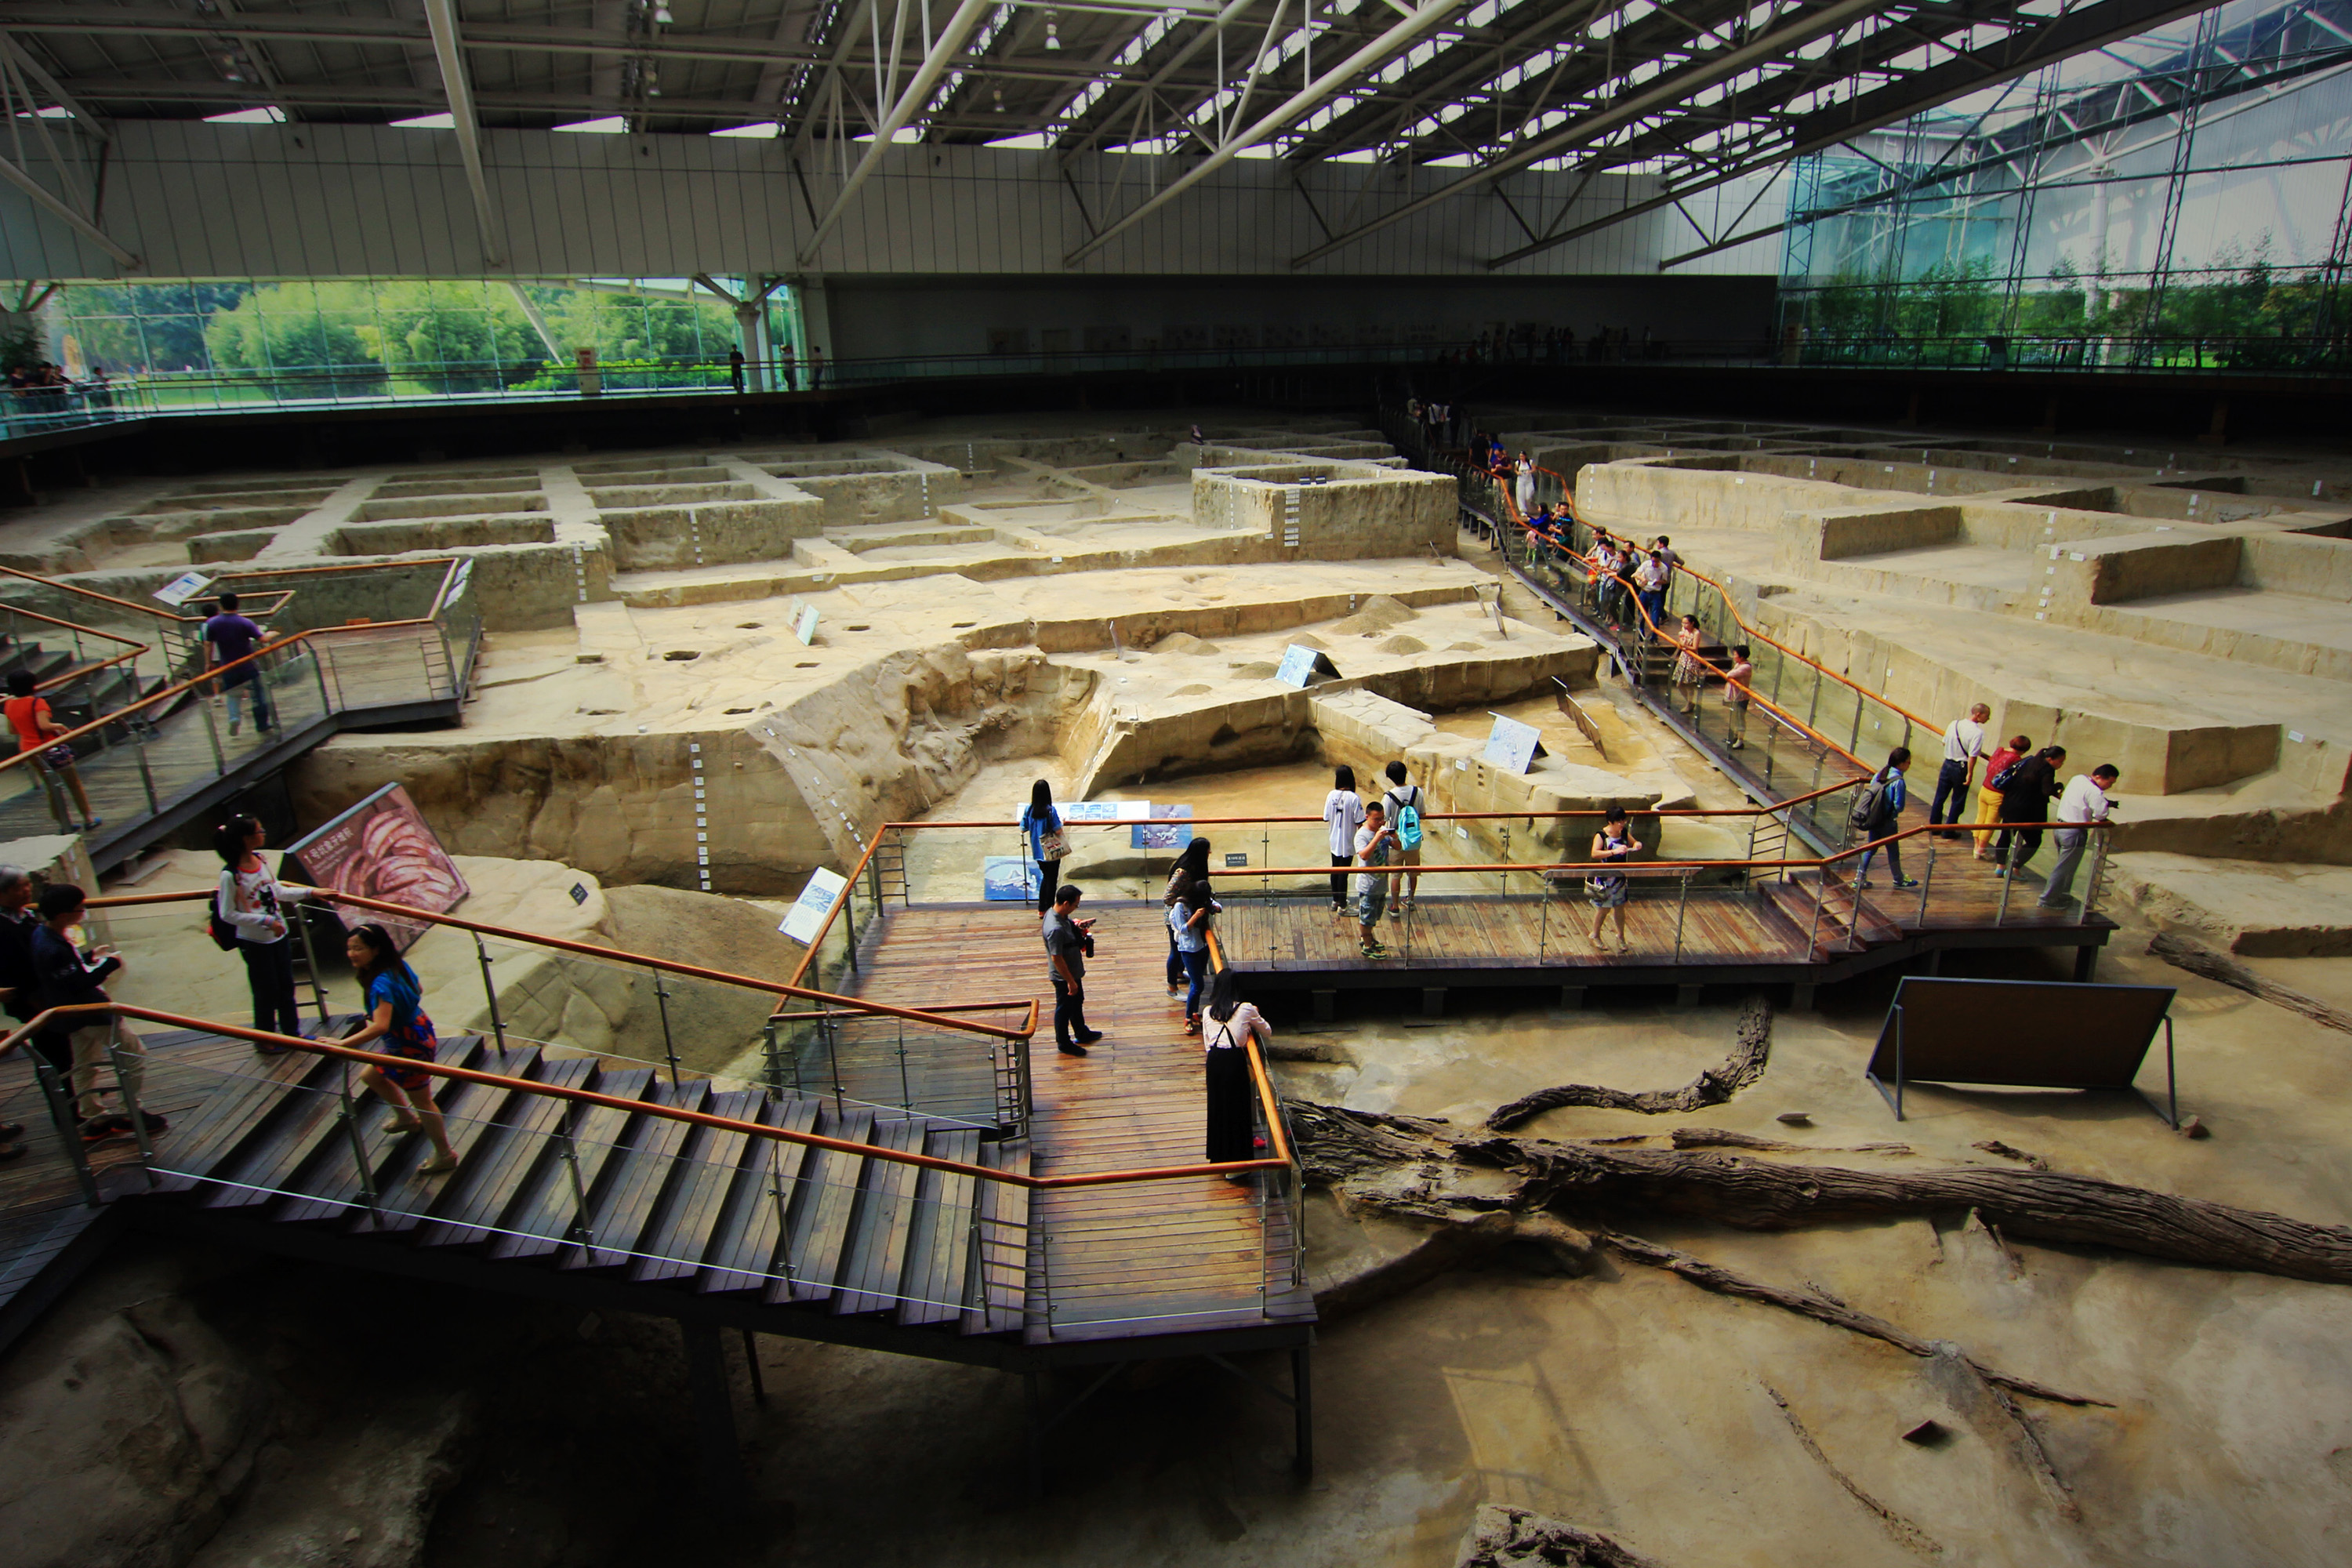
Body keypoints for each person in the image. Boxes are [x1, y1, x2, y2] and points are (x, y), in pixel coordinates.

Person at [31, 883, 160, 1142]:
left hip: (70, 1016)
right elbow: (78, 984)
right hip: (91, 1013)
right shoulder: (53, 948)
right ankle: (130, 1111)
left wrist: (89, 956)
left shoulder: (43, 934)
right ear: (64, 914)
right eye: (80, 908)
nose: (84, 912)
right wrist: (111, 964)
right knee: (134, 1055)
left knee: (84, 1065)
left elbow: (67, 972)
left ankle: (93, 1116)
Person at [343, 923, 458, 1173]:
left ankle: (445, 1154)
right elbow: (418, 989)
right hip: (418, 1029)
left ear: (376, 950)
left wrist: (342, 1043)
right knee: (371, 1075)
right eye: (350, 948)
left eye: (358, 948)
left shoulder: (380, 984)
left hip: (408, 1043)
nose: (352, 954)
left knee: (423, 1100)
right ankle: (406, 1118)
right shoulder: (397, 966)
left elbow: (380, 1026)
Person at [215, 815, 318, 1051]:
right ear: (246, 838)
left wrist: (311, 893)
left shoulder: (261, 861)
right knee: (265, 991)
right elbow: (227, 914)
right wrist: (266, 921)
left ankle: (292, 1033)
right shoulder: (230, 875)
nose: (263, 834)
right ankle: (265, 1039)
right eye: (259, 831)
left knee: (286, 986)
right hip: (255, 941)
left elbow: (277, 891)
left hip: (279, 936)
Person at [4, 668, 99, 832]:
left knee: (52, 787)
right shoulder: (37, 703)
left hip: (29, 750)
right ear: (33, 685)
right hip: (49, 747)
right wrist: (59, 726)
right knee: (73, 783)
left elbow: (12, 730)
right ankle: (88, 818)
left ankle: (63, 823)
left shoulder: (9, 704)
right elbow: (44, 725)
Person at [1200, 969, 1270, 1178]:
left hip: (1214, 1060)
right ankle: (1238, 1164)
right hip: (1233, 1060)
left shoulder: (1207, 1011)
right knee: (1237, 1108)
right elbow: (1267, 1030)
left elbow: (1207, 1043)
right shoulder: (1246, 1008)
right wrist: (1253, 1017)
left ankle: (1219, 1158)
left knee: (1218, 1107)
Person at [2039, 764, 2119, 909]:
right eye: (2109, 782)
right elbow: (2100, 814)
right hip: (2074, 832)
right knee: (2063, 868)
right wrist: (2104, 804)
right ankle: (2046, 899)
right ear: (2099, 777)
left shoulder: (2078, 779)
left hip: (2060, 828)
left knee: (2067, 867)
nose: (2109, 786)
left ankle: (2060, 894)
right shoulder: (2095, 791)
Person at [201, 591, 276, 737]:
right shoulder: (244, 622)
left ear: (221, 606)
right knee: (258, 695)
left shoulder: (213, 623)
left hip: (228, 665)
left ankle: (234, 718)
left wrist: (208, 663)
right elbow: (263, 639)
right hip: (248, 665)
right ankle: (262, 724)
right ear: (237, 604)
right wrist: (274, 633)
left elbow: (208, 644)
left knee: (233, 695)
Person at [1041, 884, 1101, 1057]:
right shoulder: (1055, 929)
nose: (1076, 908)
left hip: (1073, 971)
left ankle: (1081, 1032)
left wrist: (1076, 926)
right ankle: (1064, 1043)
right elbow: (1056, 957)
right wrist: (1070, 982)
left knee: (1076, 1002)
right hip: (1064, 976)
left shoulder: (1057, 914)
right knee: (1064, 1009)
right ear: (1066, 903)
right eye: (1075, 905)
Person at [1995, 745, 2067, 875]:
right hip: (2029, 812)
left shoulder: (2029, 761)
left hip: (2011, 805)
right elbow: (2046, 791)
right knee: (2034, 841)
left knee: (2005, 836)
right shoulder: (2047, 770)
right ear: (2050, 759)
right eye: (2060, 761)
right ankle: (2015, 868)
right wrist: (2058, 786)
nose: (2061, 765)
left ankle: (2000, 866)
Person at [1853, 748, 1918, 890]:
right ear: (1900, 764)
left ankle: (1859, 877)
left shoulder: (1880, 774)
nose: (1909, 764)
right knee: (1893, 850)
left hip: (1875, 818)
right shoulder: (1899, 782)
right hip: (1888, 821)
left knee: (1871, 847)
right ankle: (1898, 879)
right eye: (1908, 762)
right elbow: (1899, 806)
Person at [1163, 836, 1213, 998]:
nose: (1210, 852)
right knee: (1176, 951)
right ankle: (1171, 987)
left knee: (1178, 950)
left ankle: (1178, 972)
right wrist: (1184, 904)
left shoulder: (1194, 867)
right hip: (1176, 915)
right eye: (1207, 850)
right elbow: (1167, 897)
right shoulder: (1183, 871)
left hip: (1187, 913)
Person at [1586, 807, 1639, 952]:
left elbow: (1633, 842)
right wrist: (1613, 851)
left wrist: (1636, 845)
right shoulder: (1601, 835)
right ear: (1611, 822)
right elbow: (1595, 853)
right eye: (1619, 822)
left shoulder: (1624, 832)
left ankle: (1621, 936)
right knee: (1604, 908)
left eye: (1623, 821)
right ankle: (1595, 934)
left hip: (1619, 877)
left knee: (1620, 907)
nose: (1622, 824)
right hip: (1605, 878)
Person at [1929, 703, 1991, 828]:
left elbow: (1944, 742)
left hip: (1947, 763)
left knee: (1940, 797)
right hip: (1961, 767)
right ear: (1978, 714)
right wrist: (1970, 773)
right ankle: (1950, 829)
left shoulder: (1954, 724)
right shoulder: (1978, 733)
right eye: (1987, 716)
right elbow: (1973, 755)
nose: (1988, 719)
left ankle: (1934, 826)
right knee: (1958, 800)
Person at [1168, 882, 1217, 1033]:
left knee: (1196, 983)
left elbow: (1216, 905)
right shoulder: (1180, 906)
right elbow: (1182, 929)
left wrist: (1214, 908)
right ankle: (1188, 1017)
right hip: (1189, 949)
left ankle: (1195, 1012)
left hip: (1203, 946)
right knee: (1198, 985)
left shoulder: (1201, 900)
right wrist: (1196, 916)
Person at [1381, 760, 1426, 915]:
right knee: (1413, 871)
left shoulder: (1389, 796)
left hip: (1396, 838)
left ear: (1390, 777)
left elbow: (1384, 818)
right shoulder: (1417, 792)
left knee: (1395, 874)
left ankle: (1395, 906)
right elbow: (1422, 814)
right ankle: (1410, 900)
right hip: (1413, 838)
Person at [1975, 734, 2031, 859]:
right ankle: (1981, 850)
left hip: (1985, 788)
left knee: (1980, 819)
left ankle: (1976, 846)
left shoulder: (1999, 751)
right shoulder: (2015, 759)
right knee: (1991, 824)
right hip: (1997, 794)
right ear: (2023, 750)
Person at [1353, 800, 1396, 957]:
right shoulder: (1362, 835)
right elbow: (1364, 855)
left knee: (1375, 916)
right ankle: (1367, 946)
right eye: (1377, 819)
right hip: (1368, 885)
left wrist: (1394, 837)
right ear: (1367, 817)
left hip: (1381, 883)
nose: (1380, 822)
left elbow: (1398, 847)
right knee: (1366, 917)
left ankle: (1369, 938)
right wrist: (1376, 839)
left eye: (1382, 818)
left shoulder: (1383, 831)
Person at [1018, 779, 1067, 917]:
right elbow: (1058, 830)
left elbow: (1023, 828)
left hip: (1038, 851)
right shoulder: (1050, 811)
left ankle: (1042, 909)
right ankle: (1050, 909)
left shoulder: (1029, 810)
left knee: (1046, 877)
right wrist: (1062, 822)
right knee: (1051, 879)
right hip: (1052, 850)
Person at [1322, 765, 1366, 913]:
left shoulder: (1331, 795)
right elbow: (1359, 821)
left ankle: (1336, 900)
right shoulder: (1354, 798)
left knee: (1335, 869)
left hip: (1334, 839)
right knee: (1344, 873)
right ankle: (1343, 906)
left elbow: (1326, 817)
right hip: (1348, 840)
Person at [1670, 615, 1707, 717]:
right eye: (1683, 623)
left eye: (1686, 623)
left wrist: (1685, 645)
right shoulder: (1683, 631)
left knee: (1689, 683)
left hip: (1691, 660)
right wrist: (1681, 643)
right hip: (1683, 658)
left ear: (1692, 623)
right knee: (1679, 683)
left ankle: (1690, 703)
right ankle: (1690, 701)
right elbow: (1680, 642)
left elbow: (1695, 648)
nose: (1684, 625)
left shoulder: (1696, 633)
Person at [1723, 644, 1754, 749]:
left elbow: (1729, 675)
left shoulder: (1746, 667)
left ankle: (1740, 740)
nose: (1734, 656)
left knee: (1740, 719)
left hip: (1741, 698)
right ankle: (1734, 736)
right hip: (1735, 697)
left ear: (1741, 657)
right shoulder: (1738, 664)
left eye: (1735, 654)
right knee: (1734, 718)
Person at [1634, 550, 1669, 638]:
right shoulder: (1646, 564)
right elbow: (1636, 574)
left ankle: (1654, 637)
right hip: (1645, 592)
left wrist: (1657, 582)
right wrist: (1643, 579)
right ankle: (1641, 634)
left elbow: (1665, 581)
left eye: (1657, 562)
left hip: (1655, 593)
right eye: (1653, 561)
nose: (1655, 564)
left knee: (1655, 616)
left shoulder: (1664, 568)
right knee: (1642, 614)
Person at [1514, 451, 1536, 519]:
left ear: (1525, 456)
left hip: (1528, 481)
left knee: (1528, 496)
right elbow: (1515, 470)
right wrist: (1517, 473)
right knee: (1521, 495)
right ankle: (1523, 510)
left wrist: (1530, 471)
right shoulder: (1518, 463)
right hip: (1521, 481)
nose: (1521, 458)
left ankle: (1528, 507)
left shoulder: (1530, 462)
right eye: (1520, 456)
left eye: (1522, 456)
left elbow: (1534, 469)